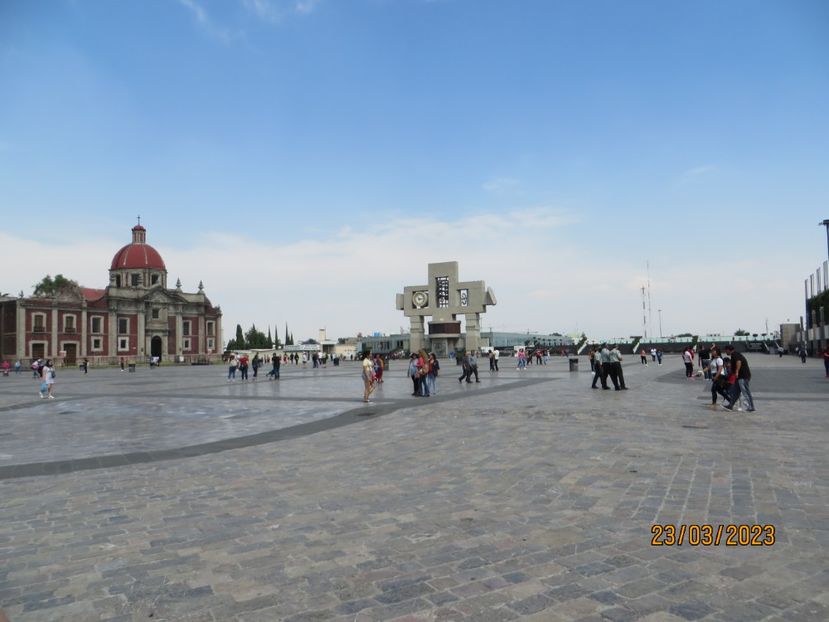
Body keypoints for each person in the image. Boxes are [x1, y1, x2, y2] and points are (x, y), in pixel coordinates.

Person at [723, 345, 754, 412]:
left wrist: (736, 371)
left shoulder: (735, 354)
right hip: (739, 377)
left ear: (729, 349)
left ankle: (751, 407)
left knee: (745, 391)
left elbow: (738, 362)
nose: (725, 352)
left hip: (743, 376)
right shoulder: (735, 354)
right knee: (736, 391)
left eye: (725, 350)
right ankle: (730, 405)